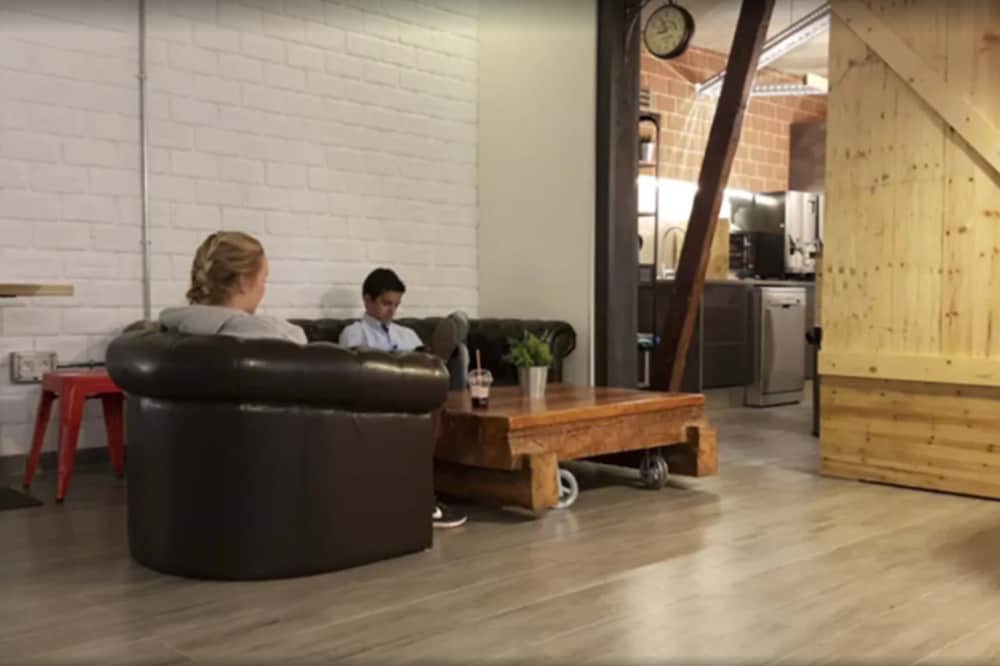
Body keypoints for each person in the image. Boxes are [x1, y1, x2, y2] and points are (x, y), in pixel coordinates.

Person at [339, 268, 469, 529]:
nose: (392, 311)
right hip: (378, 400)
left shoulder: (407, 335)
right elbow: (356, 377)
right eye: (386, 303)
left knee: (440, 374)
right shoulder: (355, 333)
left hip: (416, 398)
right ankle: (423, 499)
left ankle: (425, 495)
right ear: (367, 299)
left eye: (396, 305)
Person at [159, 230, 307, 344]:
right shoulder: (280, 336)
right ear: (244, 282)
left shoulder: (167, 328)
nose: (263, 289)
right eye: (263, 280)